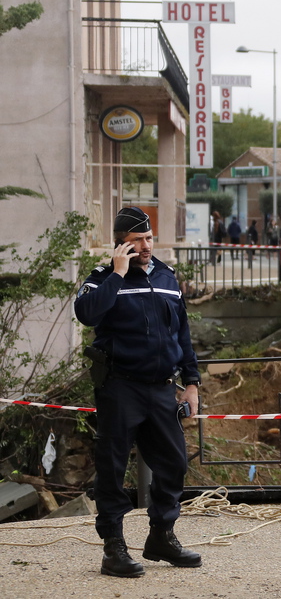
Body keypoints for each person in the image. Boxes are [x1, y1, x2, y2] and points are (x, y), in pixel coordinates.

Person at [74, 207, 202, 578]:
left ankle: (161, 536)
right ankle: (113, 549)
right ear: (121, 243)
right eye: (138, 240)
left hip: (162, 388)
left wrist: (191, 383)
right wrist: (116, 273)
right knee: (112, 469)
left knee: (174, 463)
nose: (146, 246)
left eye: (148, 238)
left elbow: (182, 334)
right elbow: (87, 313)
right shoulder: (102, 278)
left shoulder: (165, 275)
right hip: (120, 387)